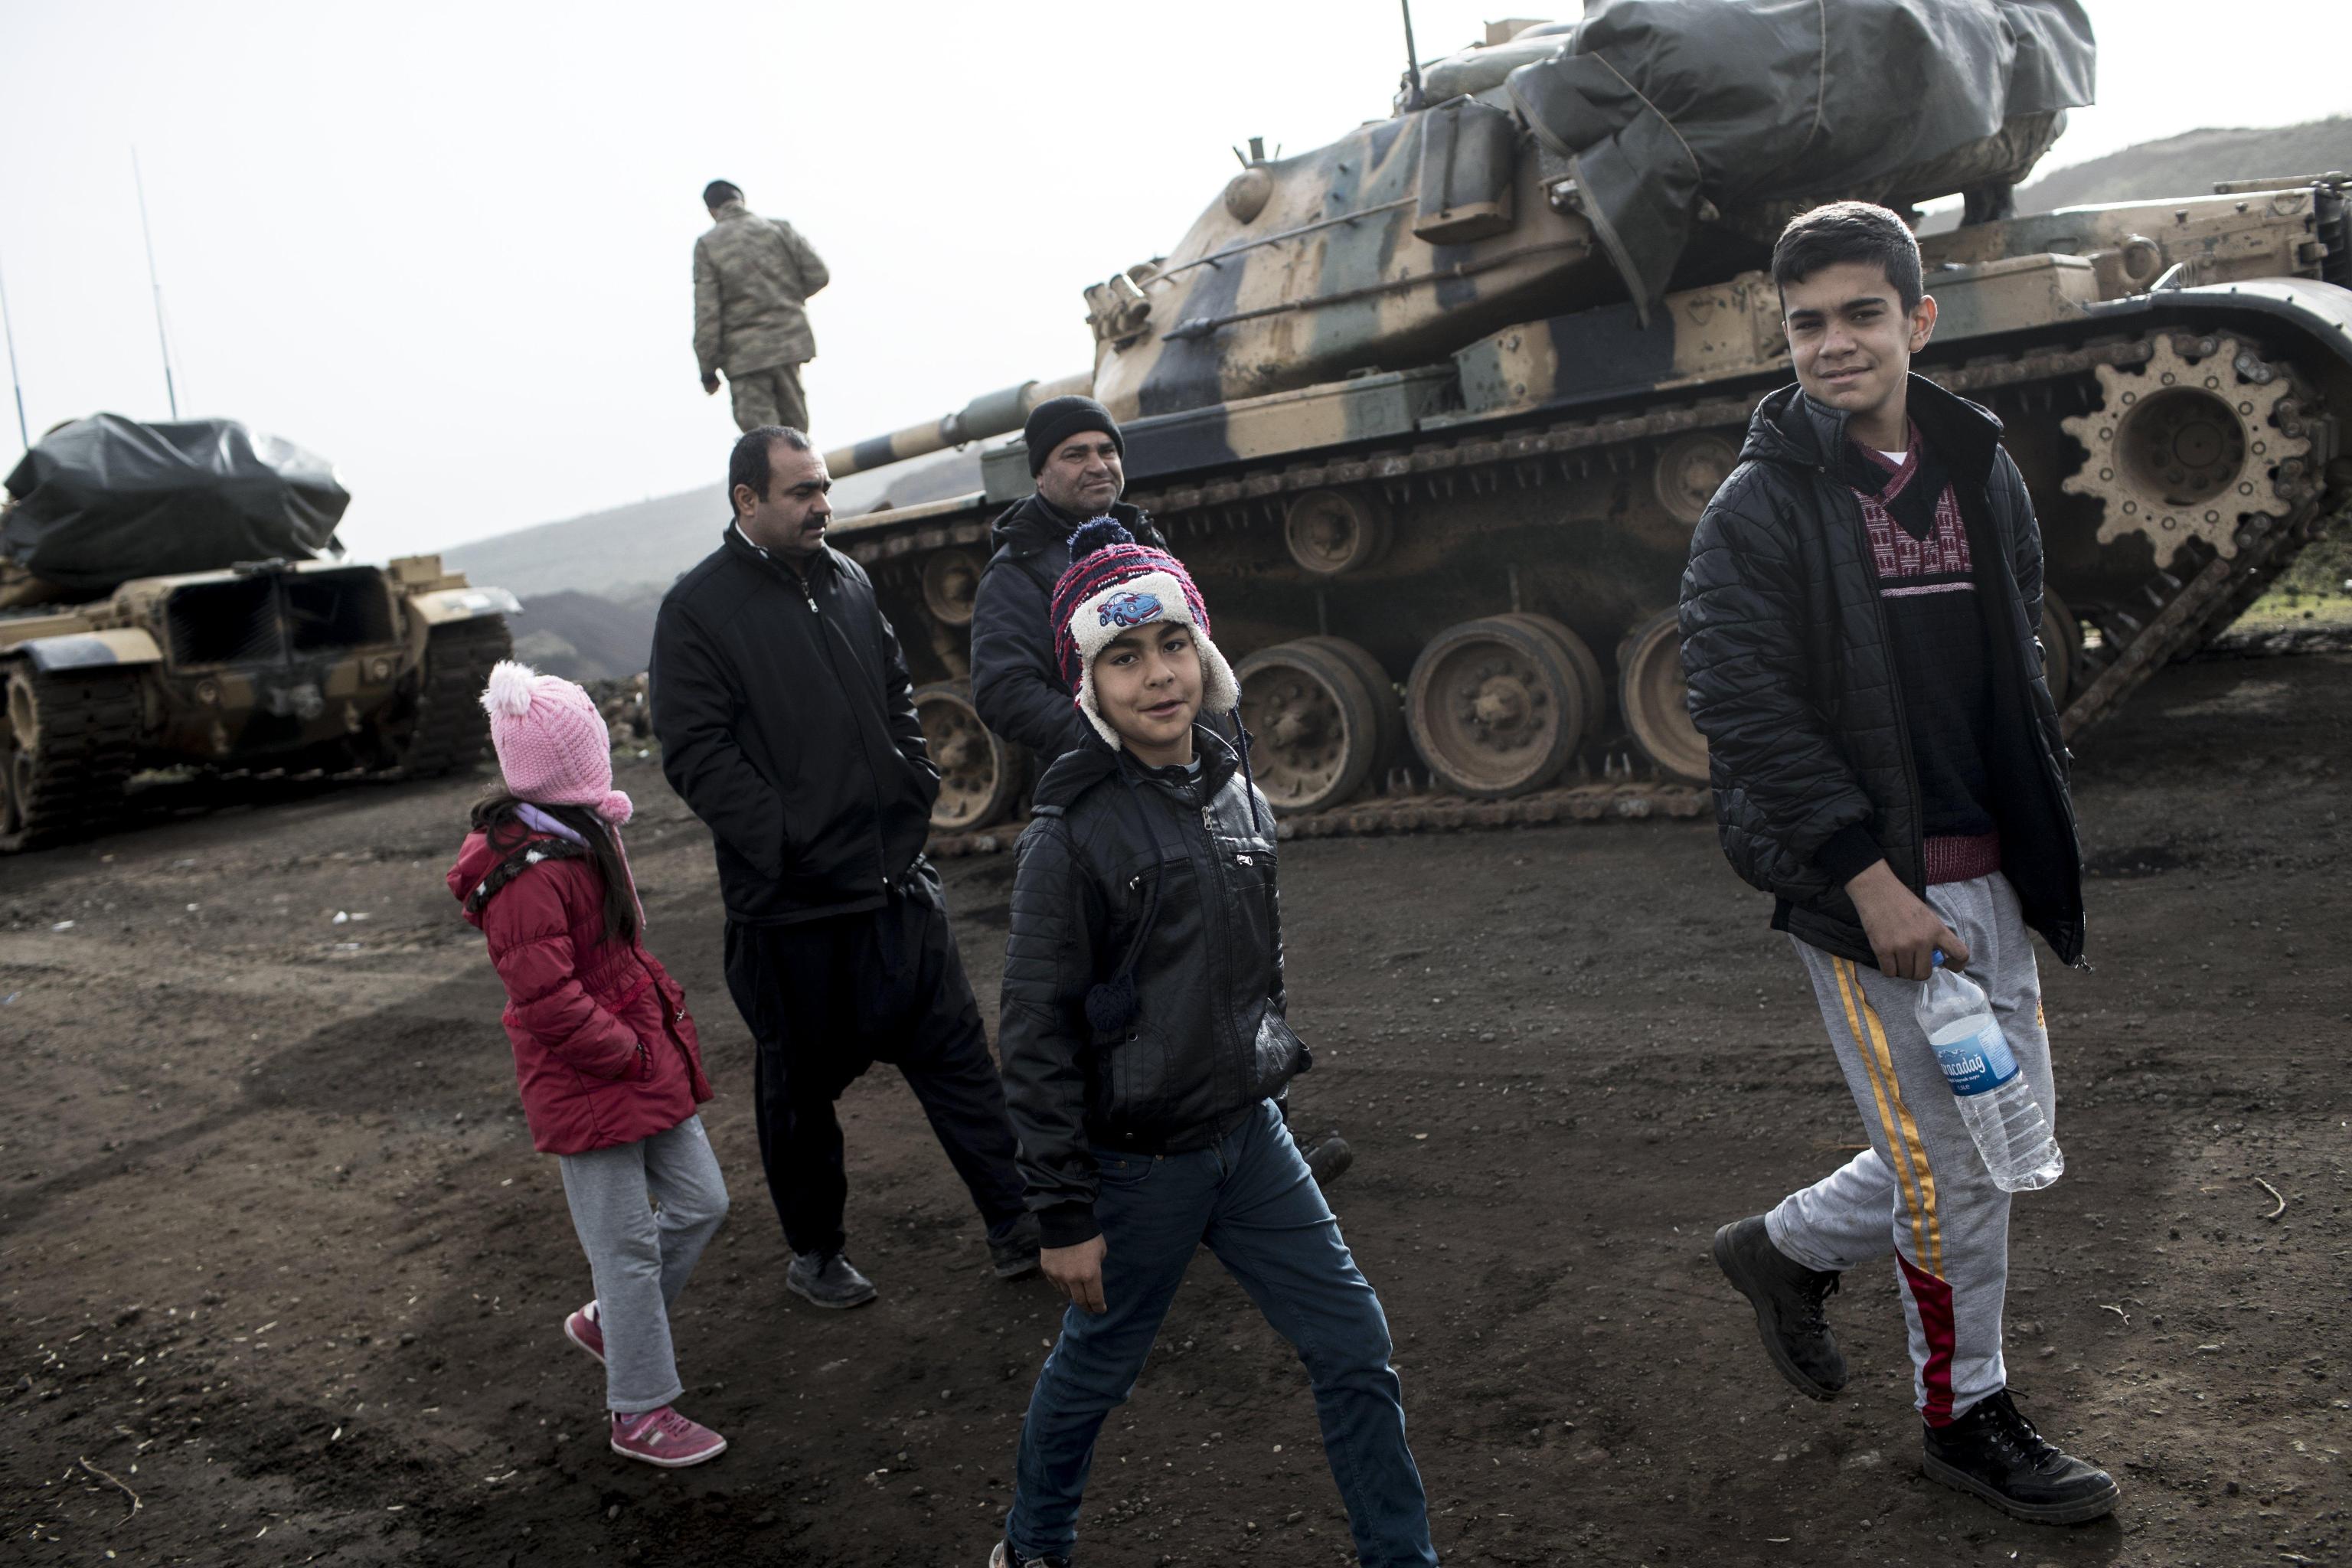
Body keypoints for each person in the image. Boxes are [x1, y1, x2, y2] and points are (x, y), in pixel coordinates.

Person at [1677, 201, 2117, 1525]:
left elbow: (2019, 674)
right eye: (1805, 321)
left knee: (1998, 1137)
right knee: (1958, 1167)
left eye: (1861, 313)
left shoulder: (1977, 468)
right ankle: (1963, 1409)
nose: (1832, 343)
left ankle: (1783, 1246)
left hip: (1985, 865)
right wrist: (1870, 881)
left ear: (1917, 321)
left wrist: (2031, 849)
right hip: (1867, 882)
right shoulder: (1756, 508)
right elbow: (1739, 701)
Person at [989, 520, 1436, 1568]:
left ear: (1206, 652)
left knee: (1356, 1349)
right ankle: (1032, 1545)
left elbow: (1253, 968)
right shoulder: (1069, 835)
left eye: (1174, 644)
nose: (1158, 676)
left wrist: (1263, 1065)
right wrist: (1060, 1211)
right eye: (1125, 656)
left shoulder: (1238, 792)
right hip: (1139, 1165)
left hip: (1252, 1143)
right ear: (1088, 683)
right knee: (1097, 1371)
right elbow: (1034, 1030)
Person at [649, 425, 1040, 1308]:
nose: (821, 504)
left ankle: (1018, 1220)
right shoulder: (698, 612)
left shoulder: (850, 579)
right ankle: (816, 1252)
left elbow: (899, 690)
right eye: (799, 492)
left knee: (959, 1062)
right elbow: (696, 752)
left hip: (897, 891)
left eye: (823, 487)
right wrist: (788, 841)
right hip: (794, 915)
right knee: (798, 1094)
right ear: (746, 500)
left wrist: (915, 782)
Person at [969, 394, 1354, 1191]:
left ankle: (1264, 1141)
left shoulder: (1143, 540)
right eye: (1074, 452)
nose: (1096, 464)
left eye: (1106, 449)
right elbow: (1003, 688)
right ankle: (1134, 1176)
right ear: (1040, 468)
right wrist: (1112, 737)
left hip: (1190, 783)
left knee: (1232, 954)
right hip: (1108, 799)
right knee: (1141, 990)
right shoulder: (1015, 574)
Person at [446, 661, 730, 1469]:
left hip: (637, 1055)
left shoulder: (580, 831)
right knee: (626, 1247)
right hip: (593, 1072)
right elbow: (546, 999)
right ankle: (639, 1410)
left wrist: (645, 1045)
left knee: (703, 1202)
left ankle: (612, 1323)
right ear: (565, 767)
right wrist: (629, 1048)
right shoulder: (527, 872)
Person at [693, 180, 829, 434]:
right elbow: (818, 275)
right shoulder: (780, 229)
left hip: (745, 356)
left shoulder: (708, 245)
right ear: (742, 200)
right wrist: (785, 300)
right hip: (790, 344)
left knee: (764, 443)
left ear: (711, 210)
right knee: (797, 437)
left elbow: (707, 312)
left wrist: (707, 368)